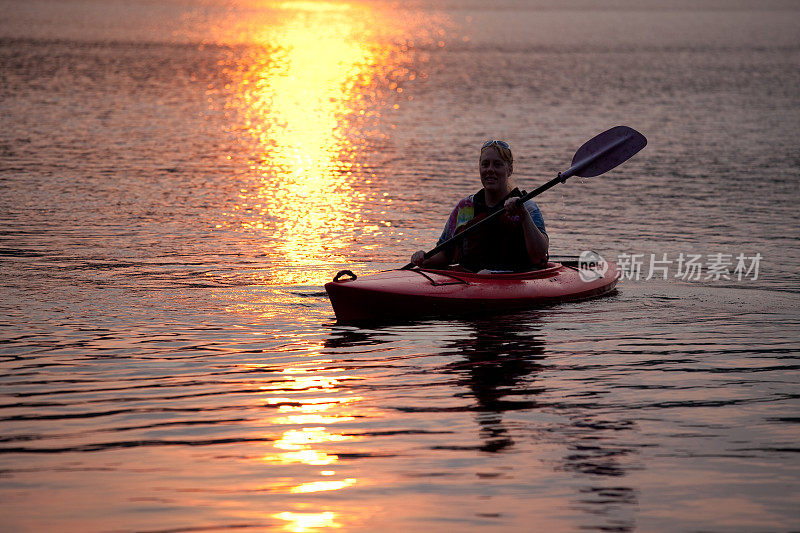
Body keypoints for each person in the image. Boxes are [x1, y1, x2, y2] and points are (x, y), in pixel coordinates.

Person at [410, 140, 549, 272]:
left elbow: (539, 255)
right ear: (479, 169)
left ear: (510, 169)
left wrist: (523, 215)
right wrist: (423, 258)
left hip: (516, 279)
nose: (490, 170)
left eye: (497, 164)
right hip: (470, 279)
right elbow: (445, 253)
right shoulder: (465, 207)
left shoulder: (527, 207)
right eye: (485, 164)